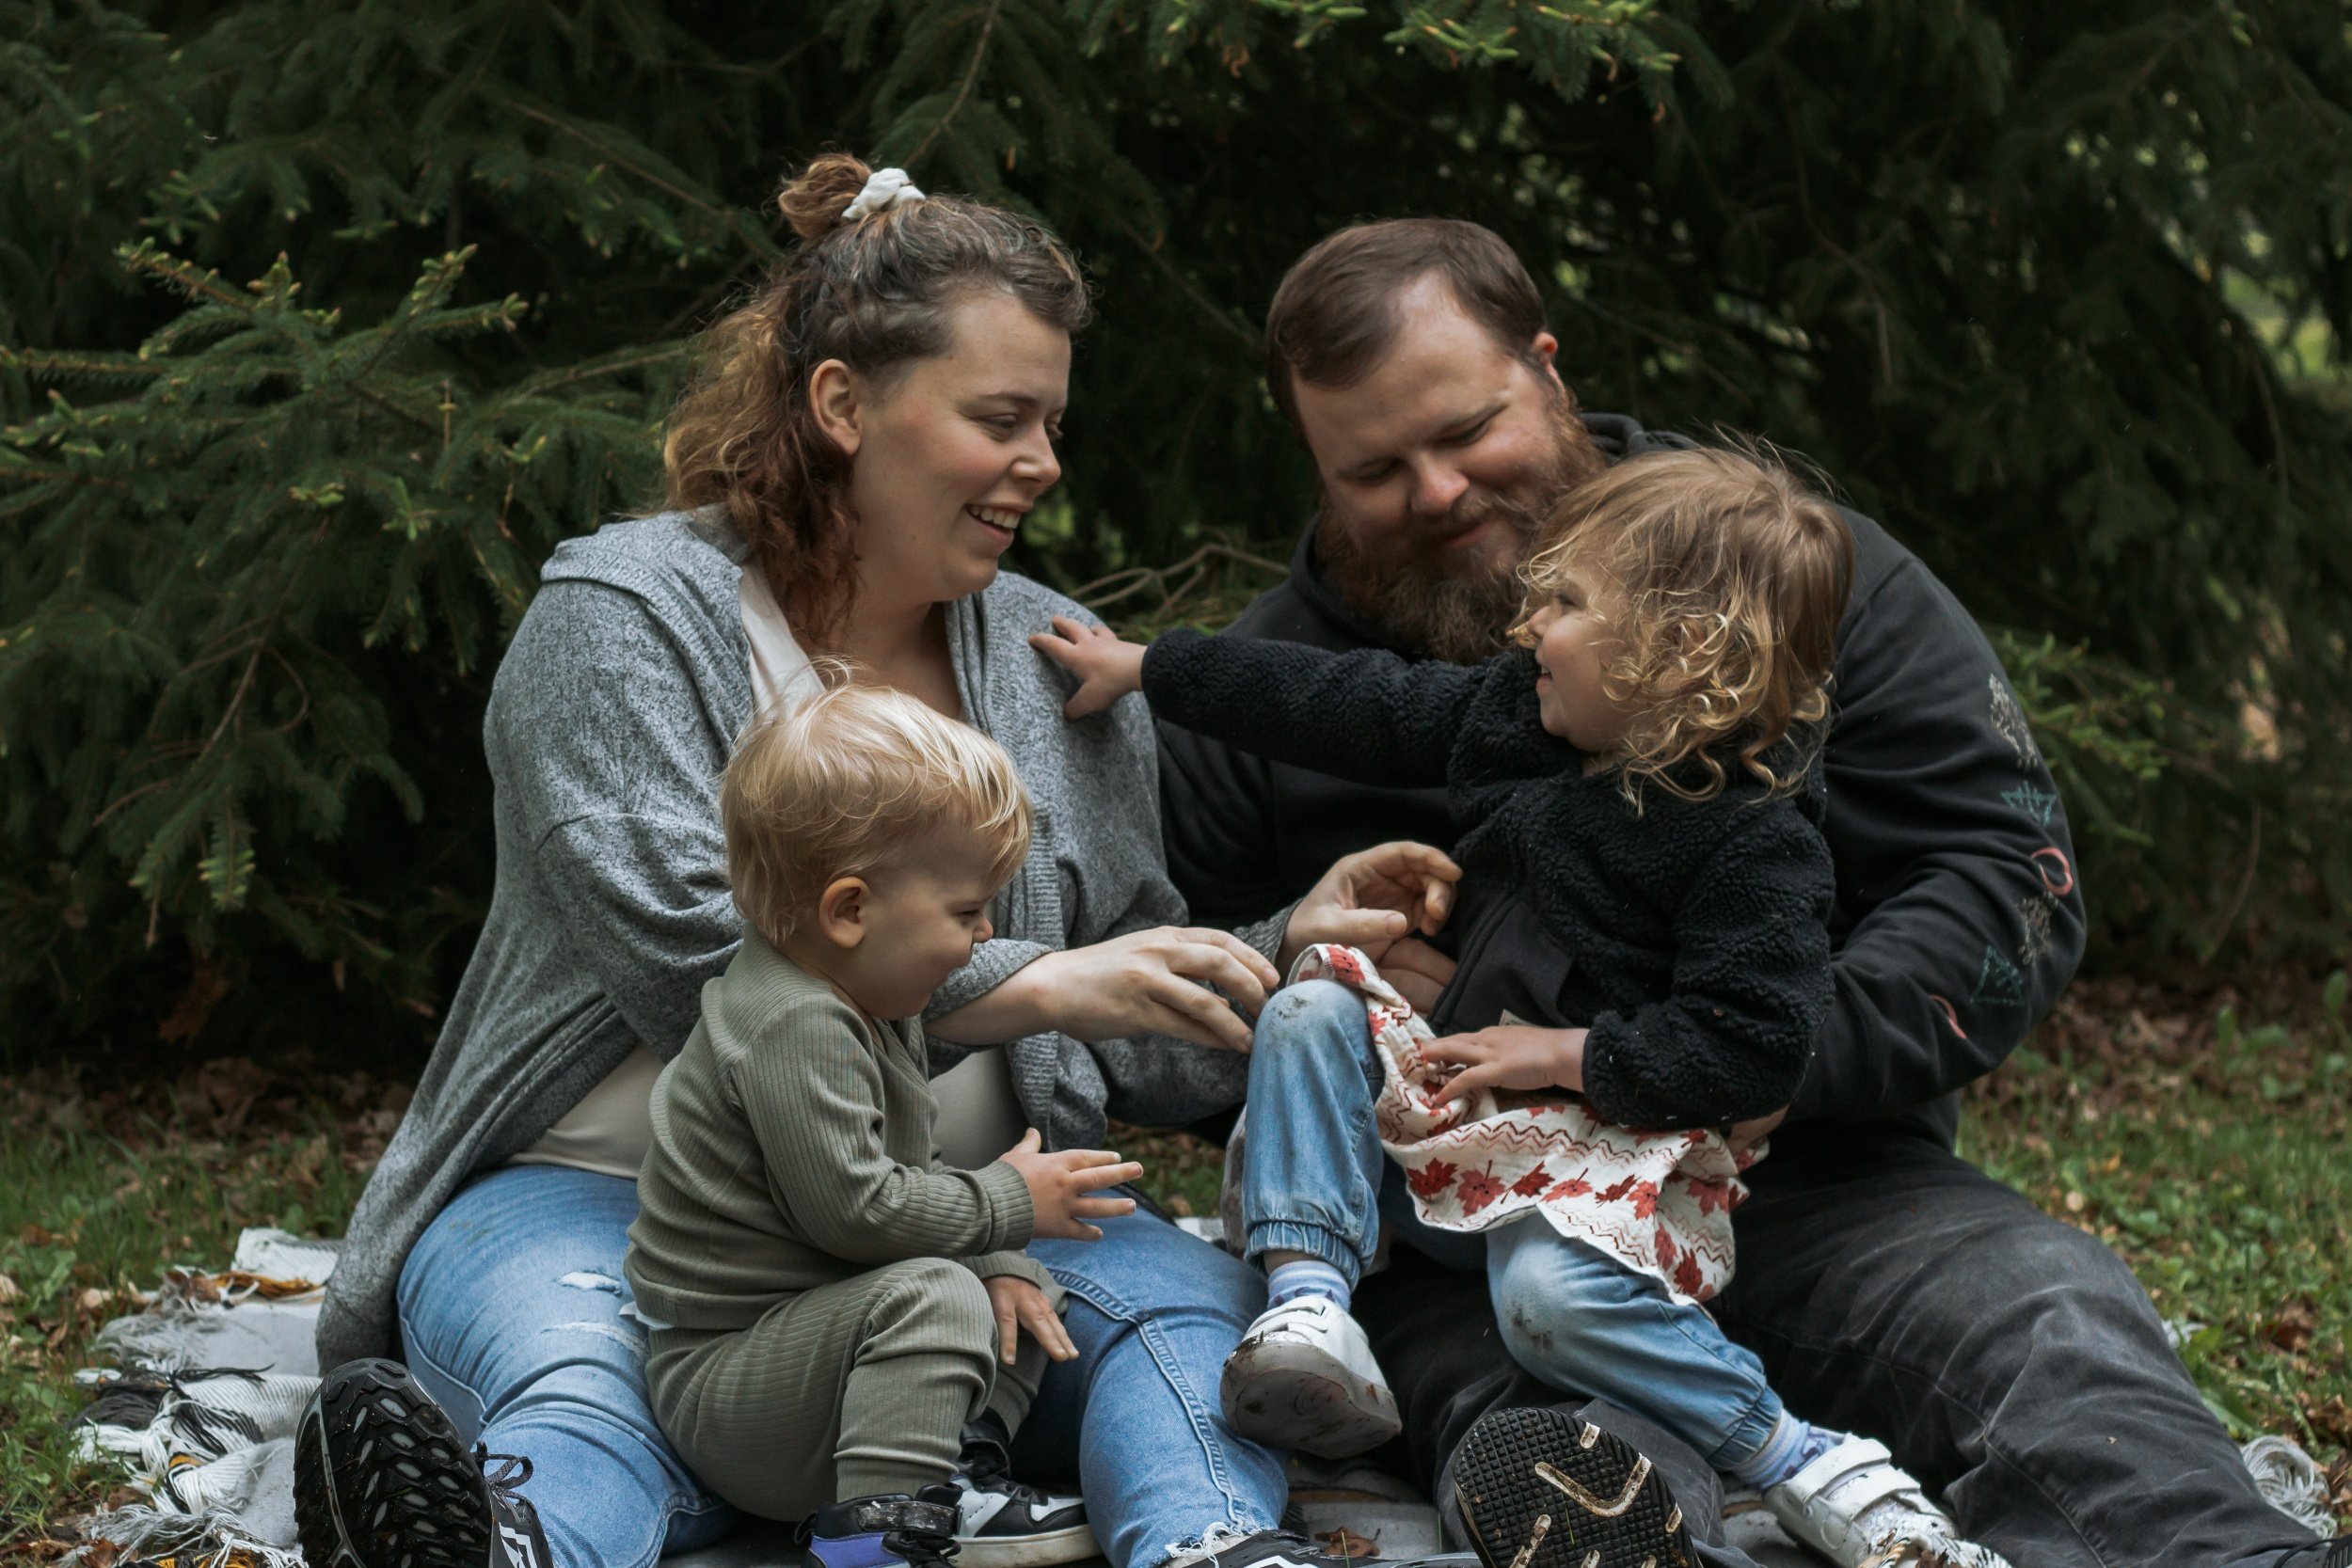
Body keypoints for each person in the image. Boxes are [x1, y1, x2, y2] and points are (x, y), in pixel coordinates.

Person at [295, 156, 1457, 1568]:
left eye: (1052, 421)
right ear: (844, 404)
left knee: (1183, 1333)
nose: (1043, 461)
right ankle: (508, 1543)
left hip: (981, 1216)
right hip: (610, 1201)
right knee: (597, 1381)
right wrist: (1041, 984)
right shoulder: (623, 619)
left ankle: (1215, 1544)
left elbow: (1129, 1041)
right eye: (1001, 417)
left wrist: (1286, 947)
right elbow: (698, 960)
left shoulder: (1055, 658)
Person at [1157, 217, 2346, 1568]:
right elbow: (1150, 1025)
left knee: (2042, 1317)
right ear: (1312, 468)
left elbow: (2004, 871)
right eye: (1372, 469)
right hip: (1458, 1233)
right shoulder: (1261, 698)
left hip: (1815, 1183)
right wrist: (1301, 954)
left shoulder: (1787, 575)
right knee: (1544, 1430)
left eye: (1467, 429)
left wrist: (1762, 1053)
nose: (1435, 492)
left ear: (1545, 369)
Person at [1039, 444, 2006, 1568]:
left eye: (1564, 603)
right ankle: (1306, 1309)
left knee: (1549, 1298)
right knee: (1314, 1008)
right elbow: (1351, 701)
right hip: (1447, 1115)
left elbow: (1755, 1043)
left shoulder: (1756, 843)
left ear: (1676, 653)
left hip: (1592, 1154)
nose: (1526, 626)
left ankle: (1801, 1460)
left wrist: (1562, 1050)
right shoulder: (1520, 720)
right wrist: (1156, 667)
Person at [625, 681, 1127, 1568]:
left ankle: (956, 1476)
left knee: (1018, 1288)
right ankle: (881, 1535)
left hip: (822, 1354)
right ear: (850, 910)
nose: (983, 938)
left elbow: (905, 1165)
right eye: (967, 911)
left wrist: (997, 1253)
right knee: (938, 1293)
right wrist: (1009, 1200)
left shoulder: (861, 999)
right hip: (733, 1383)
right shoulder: (795, 1023)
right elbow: (858, 1212)